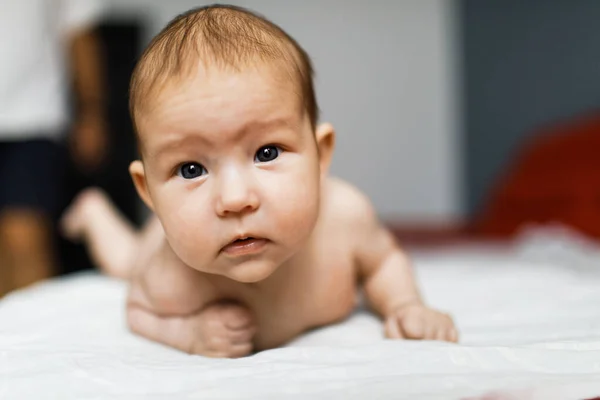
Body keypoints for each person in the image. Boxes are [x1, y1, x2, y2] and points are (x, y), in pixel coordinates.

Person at [61, 4, 458, 357]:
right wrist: (188, 334)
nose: (235, 199)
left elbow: (382, 263)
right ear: (148, 191)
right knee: (127, 260)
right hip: (151, 247)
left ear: (321, 156)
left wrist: (405, 304)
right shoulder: (171, 276)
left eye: (266, 153)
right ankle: (94, 212)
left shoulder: (346, 218)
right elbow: (138, 311)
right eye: (191, 169)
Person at [0, 1, 108, 297]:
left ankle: (33, 340)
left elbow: (79, 31)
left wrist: (91, 112)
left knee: (26, 241)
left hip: (33, 115)